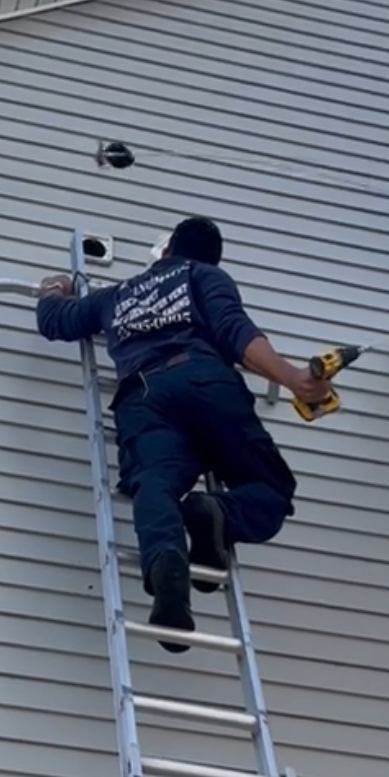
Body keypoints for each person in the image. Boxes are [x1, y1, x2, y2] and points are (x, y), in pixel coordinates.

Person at [36, 217, 330, 650]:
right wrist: (292, 378)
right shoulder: (204, 276)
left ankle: (166, 571)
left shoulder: (115, 296)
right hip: (207, 382)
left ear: (167, 250)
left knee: (154, 482)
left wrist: (53, 288)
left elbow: (55, 321)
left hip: (144, 395)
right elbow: (234, 331)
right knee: (270, 488)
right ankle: (217, 512)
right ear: (212, 260)